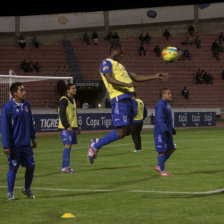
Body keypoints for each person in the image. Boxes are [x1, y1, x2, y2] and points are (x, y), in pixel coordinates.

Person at [87, 43, 168, 164]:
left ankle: (97, 142)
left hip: (129, 101)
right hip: (119, 100)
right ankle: (95, 146)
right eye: (121, 53)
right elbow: (109, 79)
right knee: (120, 132)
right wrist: (127, 85)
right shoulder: (106, 63)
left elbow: (136, 77)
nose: (122, 55)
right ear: (114, 51)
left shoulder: (121, 67)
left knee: (129, 131)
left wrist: (155, 76)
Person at [1, 82, 36, 200]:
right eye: (21, 90)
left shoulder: (27, 105)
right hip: (14, 145)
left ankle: (27, 189)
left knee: (31, 166)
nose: (24, 92)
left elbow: (30, 122)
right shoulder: (7, 107)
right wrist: (6, 145)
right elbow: (5, 127)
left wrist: (33, 138)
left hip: (26, 144)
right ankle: (10, 193)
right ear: (14, 93)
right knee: (14, 168)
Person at [58, 83, 81, 173]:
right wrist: (67, 126)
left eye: (75, 88)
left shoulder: (73, 100)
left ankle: (64, 167)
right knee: (67, 146)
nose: (75, 89)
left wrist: (78, 126)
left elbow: (74, 114)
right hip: (66, 128)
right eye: (73, 88)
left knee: (69, 146)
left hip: (73, 127)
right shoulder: (63, 100)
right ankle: (66, 167)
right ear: (68, 90)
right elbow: (62, 114)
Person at [153, 88, 176, 176]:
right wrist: (165, 129)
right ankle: (162, 171)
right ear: (163, 95)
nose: (171, 95)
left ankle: (159, 165)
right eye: (168, 93)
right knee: (162, 150)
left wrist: (171, 128)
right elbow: (159, 119)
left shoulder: (167, 104)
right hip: (161, 131)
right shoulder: (160, 104)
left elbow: (168, 119)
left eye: (170, 93)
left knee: (171, 149)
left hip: (168, 130)